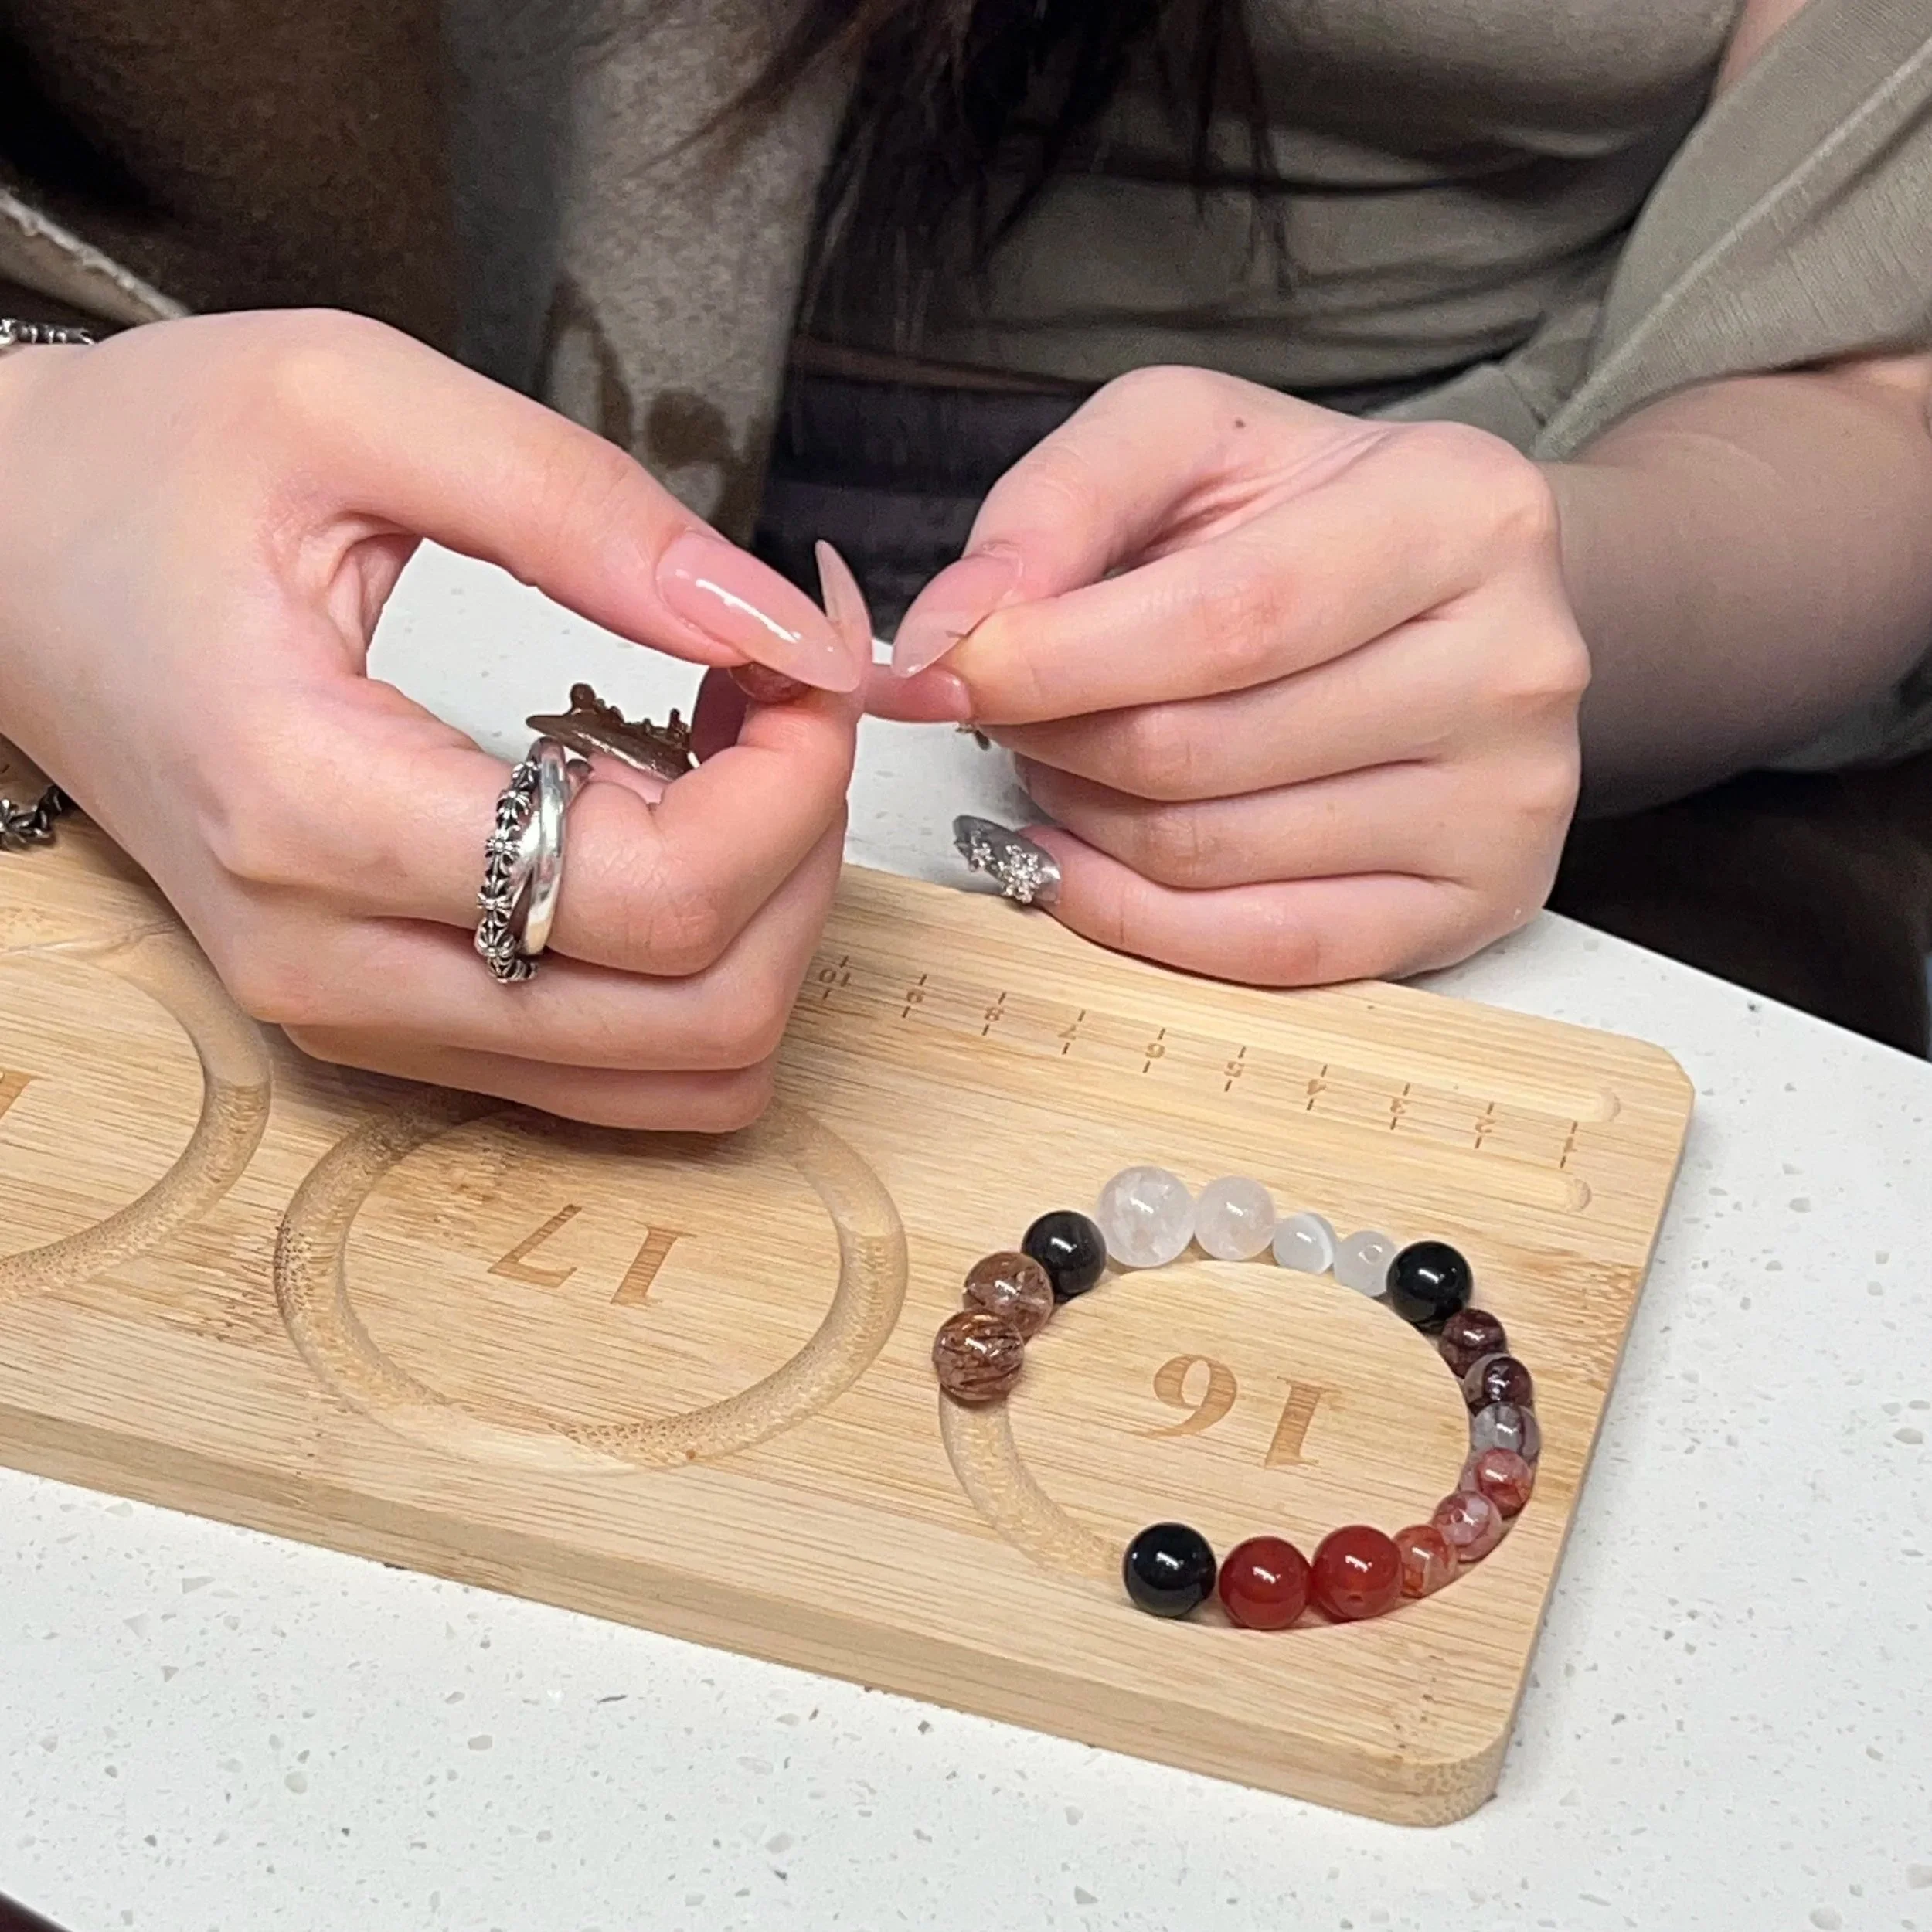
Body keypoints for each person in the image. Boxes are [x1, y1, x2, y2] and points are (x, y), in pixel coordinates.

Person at [0, 0, 1927, 1131]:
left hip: (1509, 658)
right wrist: (34, 455)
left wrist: (1557, 590)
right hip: (196, 468)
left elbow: (1871, 360)